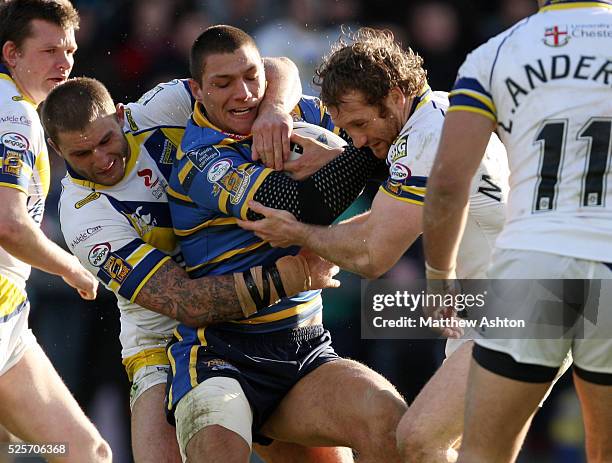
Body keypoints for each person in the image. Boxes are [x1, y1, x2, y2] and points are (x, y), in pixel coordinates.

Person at [238, 27, 570, 462]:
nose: (356, 139)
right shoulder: (442, 111)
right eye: (346, 129)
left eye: (359, 124)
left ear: (395, 96)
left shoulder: (424, 137)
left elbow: (373, 255)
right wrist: (342, 159)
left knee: (417, 439)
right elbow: (383, 218)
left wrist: (297, 233)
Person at [43, 71, 354, 463]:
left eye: (106, 141)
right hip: (161, 340)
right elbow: (187, 303)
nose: (102, 160)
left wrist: (272, 111)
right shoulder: (82, 219)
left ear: (122, 116)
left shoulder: (163, 106)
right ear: (56, 149)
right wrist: (298, 274)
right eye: (82, 155)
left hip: (251, 323)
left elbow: (272, 68)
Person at [167, 25, 407, 463]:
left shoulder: (288, 110)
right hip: (222, 356)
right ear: (196, 90)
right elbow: (294, 205)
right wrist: (362, 156)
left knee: (389, 423)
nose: (243, 94)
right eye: (222, 84)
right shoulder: (201, 158)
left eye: (251, 77)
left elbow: (381, 135)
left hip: (304, 345)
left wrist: (277, 106)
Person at [421, 1, 612, 462]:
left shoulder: (496, 52)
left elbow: (448, 185)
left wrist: (438, 274)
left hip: (531, 265)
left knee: (483, 453)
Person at [0, 1, 111, 461]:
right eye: (48, 51)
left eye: (69, 50)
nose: (64, 63)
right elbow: (9, 223)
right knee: (81, 452)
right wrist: (75, 270)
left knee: (59, 450)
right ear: (12, 53)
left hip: (10, 319)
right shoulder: (16, 116)